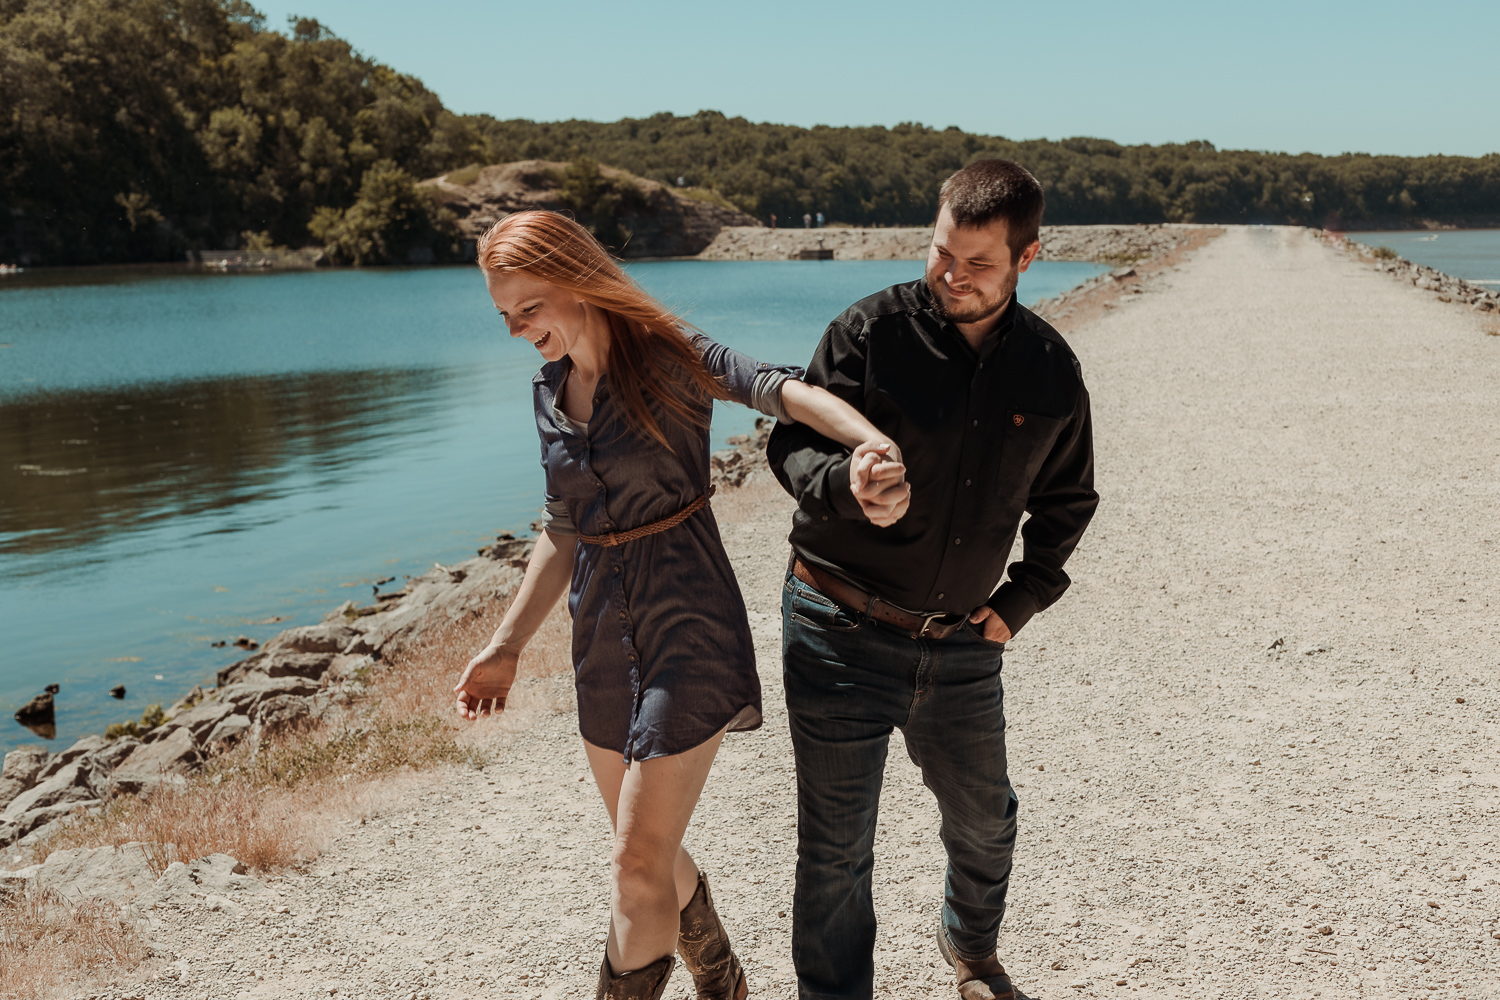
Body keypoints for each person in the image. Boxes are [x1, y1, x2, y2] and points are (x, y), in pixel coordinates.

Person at [453, 210, 907, 1000]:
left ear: (576, 282)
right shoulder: (549, 392)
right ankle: (720, 973)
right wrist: (506, 645)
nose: (517, 329)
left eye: (528, 308)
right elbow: (564, 526)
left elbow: (781, 390)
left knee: (634, 865)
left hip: (688, 623)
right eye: (504, 316)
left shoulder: (667, 355)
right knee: (647, 851)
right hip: (598, 635)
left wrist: (871, 444)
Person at [767, 159, 1099, 1000]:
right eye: (941, 252)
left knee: (988, 824)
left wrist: (1021, 600)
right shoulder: (867, 332)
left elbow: (1069, 500)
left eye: (978, 263)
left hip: (960, 647)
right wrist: (843, 484)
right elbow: (793, 443)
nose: (952, 276)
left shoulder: (1052, 370)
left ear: (1028, 259)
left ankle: (971, 950)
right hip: (835, 624)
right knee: (837, 850)